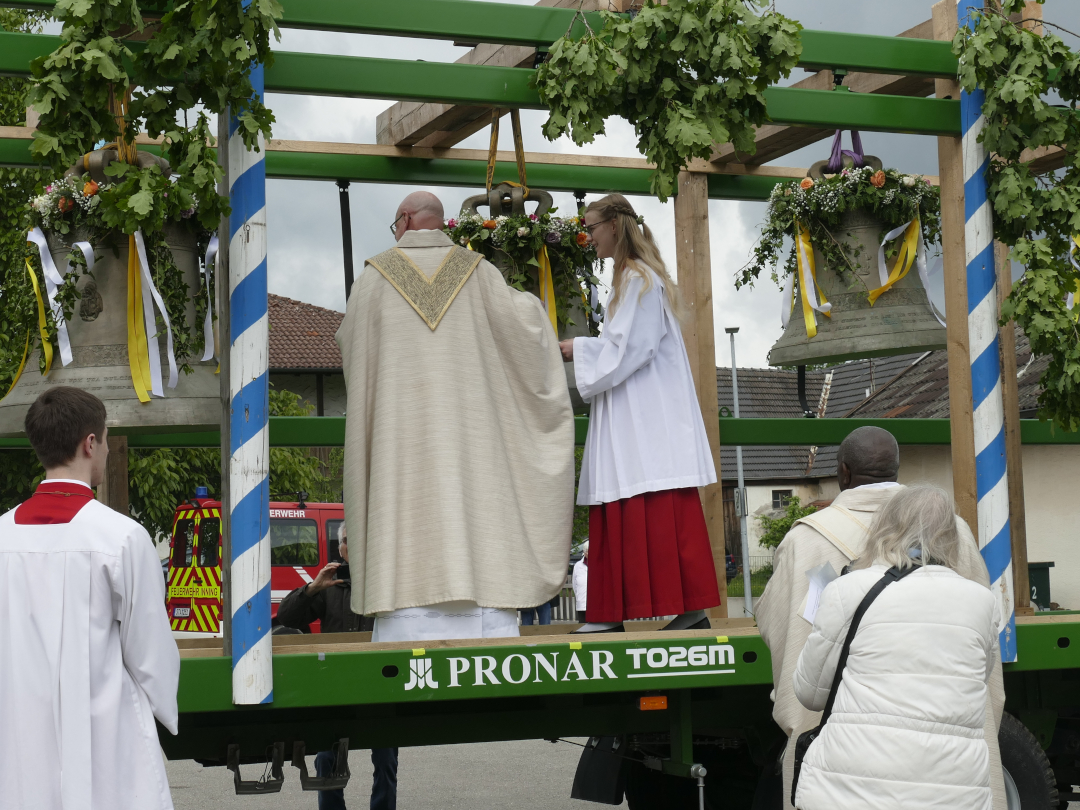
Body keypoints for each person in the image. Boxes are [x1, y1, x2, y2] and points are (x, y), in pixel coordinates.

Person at [335, 191, 576, 642]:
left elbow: (352, 347)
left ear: (405, 220)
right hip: (473, 463)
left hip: (398, 456)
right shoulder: (480, 273)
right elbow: (528, 333)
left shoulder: (372, 281)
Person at [756, 426, 1007, 810]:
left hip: (853, 767)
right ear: (897, 469)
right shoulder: (950, 530)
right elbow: (984, 657)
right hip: (950, 767)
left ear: (843, 472)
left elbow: (783, 632)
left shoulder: (808, 539)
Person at [0, 386, 180, 810]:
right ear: (91, 442)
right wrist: (161, 710)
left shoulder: (3, 535)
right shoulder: (121, 537)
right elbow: (150, 655)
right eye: (106, 441)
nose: (107, 452)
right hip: (102, 729)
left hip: (18, 725)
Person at [562, 194, 719, 633]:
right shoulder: (631, 278)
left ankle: (677, 610)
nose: (588, 237)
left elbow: (634, 348)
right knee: (628, 497)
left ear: (614, 225)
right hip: (631, 409)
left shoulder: (639, 279)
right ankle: (617, 611)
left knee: (648, 499)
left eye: (592, 228)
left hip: (645, 414)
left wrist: (580, 348)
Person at [792, 485, 998, 810]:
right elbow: (976, 683)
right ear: (951, 536)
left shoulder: (848, 589)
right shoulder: (983, 603)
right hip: (955, 795)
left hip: (851, 791)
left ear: (886, 526)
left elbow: (811, 694)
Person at [278, 525, 396, 810]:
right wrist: (311, 589)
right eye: (346, 540)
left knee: (386, 761)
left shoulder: (386, 582)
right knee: (326, 759)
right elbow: (286, 617)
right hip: (335, 687)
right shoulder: (329, 586)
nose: (352, 546)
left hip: (379, 685)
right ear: (340, 547)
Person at [573, 540, 589, 622]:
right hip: (582, 603)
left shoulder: (599, 564)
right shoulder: (577, 565)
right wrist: (579, 596)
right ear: (584, 552)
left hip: (596, 605)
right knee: (582, 625)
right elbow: (574, 585)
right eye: (587, 551)